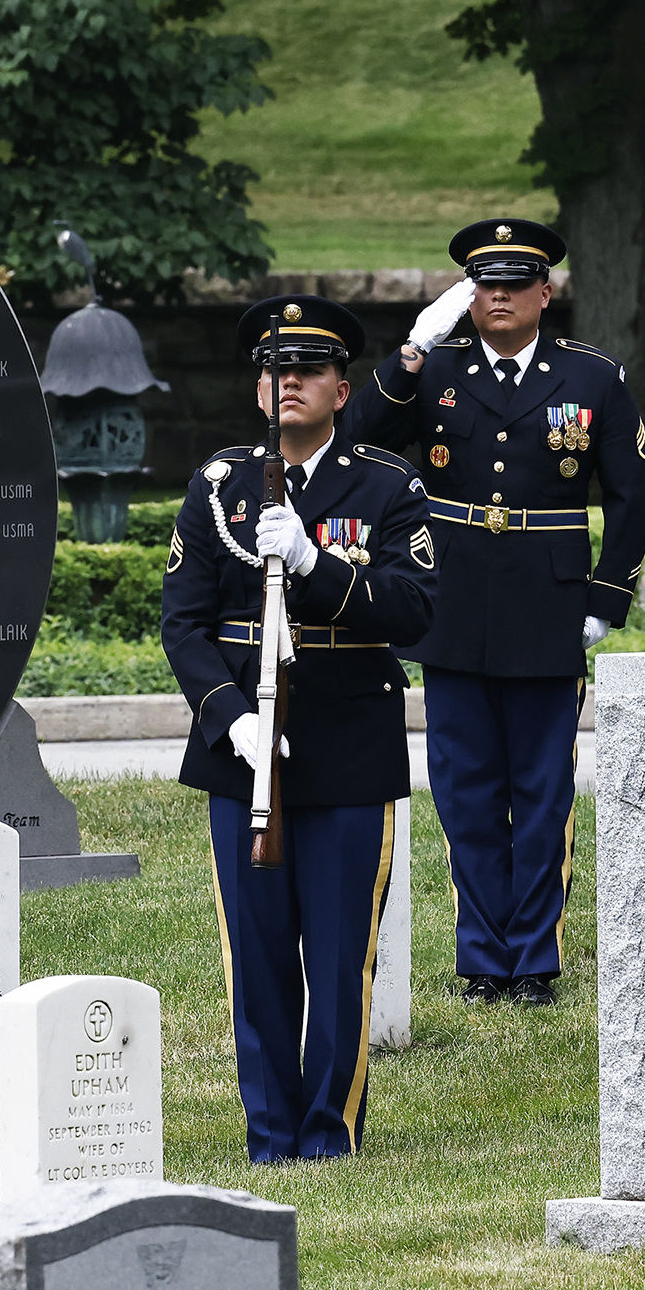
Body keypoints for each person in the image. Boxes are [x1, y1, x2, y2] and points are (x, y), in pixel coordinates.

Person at [344, 219, 645, 1006]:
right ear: (468, 295)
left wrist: (607, 597)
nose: (502, 296)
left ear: (545, 292)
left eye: (518, 283)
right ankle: (483, 956)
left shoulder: (592, 378)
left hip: (548, 604)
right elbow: (353, 440)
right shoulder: (437, 369)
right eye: (487, 285)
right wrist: (409, 352)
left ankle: (535, 957)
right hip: (451, 602)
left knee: (544, 788)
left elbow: (633, 493)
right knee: (465, 788)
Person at [162, 295, 438, 1163]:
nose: (290, 384)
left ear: (341, 388)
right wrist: (229, 718)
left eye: (308, 370)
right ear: (258, 391)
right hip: (243, 750)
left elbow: (416, 611)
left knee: (338, 955)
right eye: (276, 371)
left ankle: (329, 1128)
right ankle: (269, 1129)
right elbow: (184, 622)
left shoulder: (388, 487)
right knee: (259, 954)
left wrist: (318, 563)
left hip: (349, 744)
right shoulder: (219, 490)